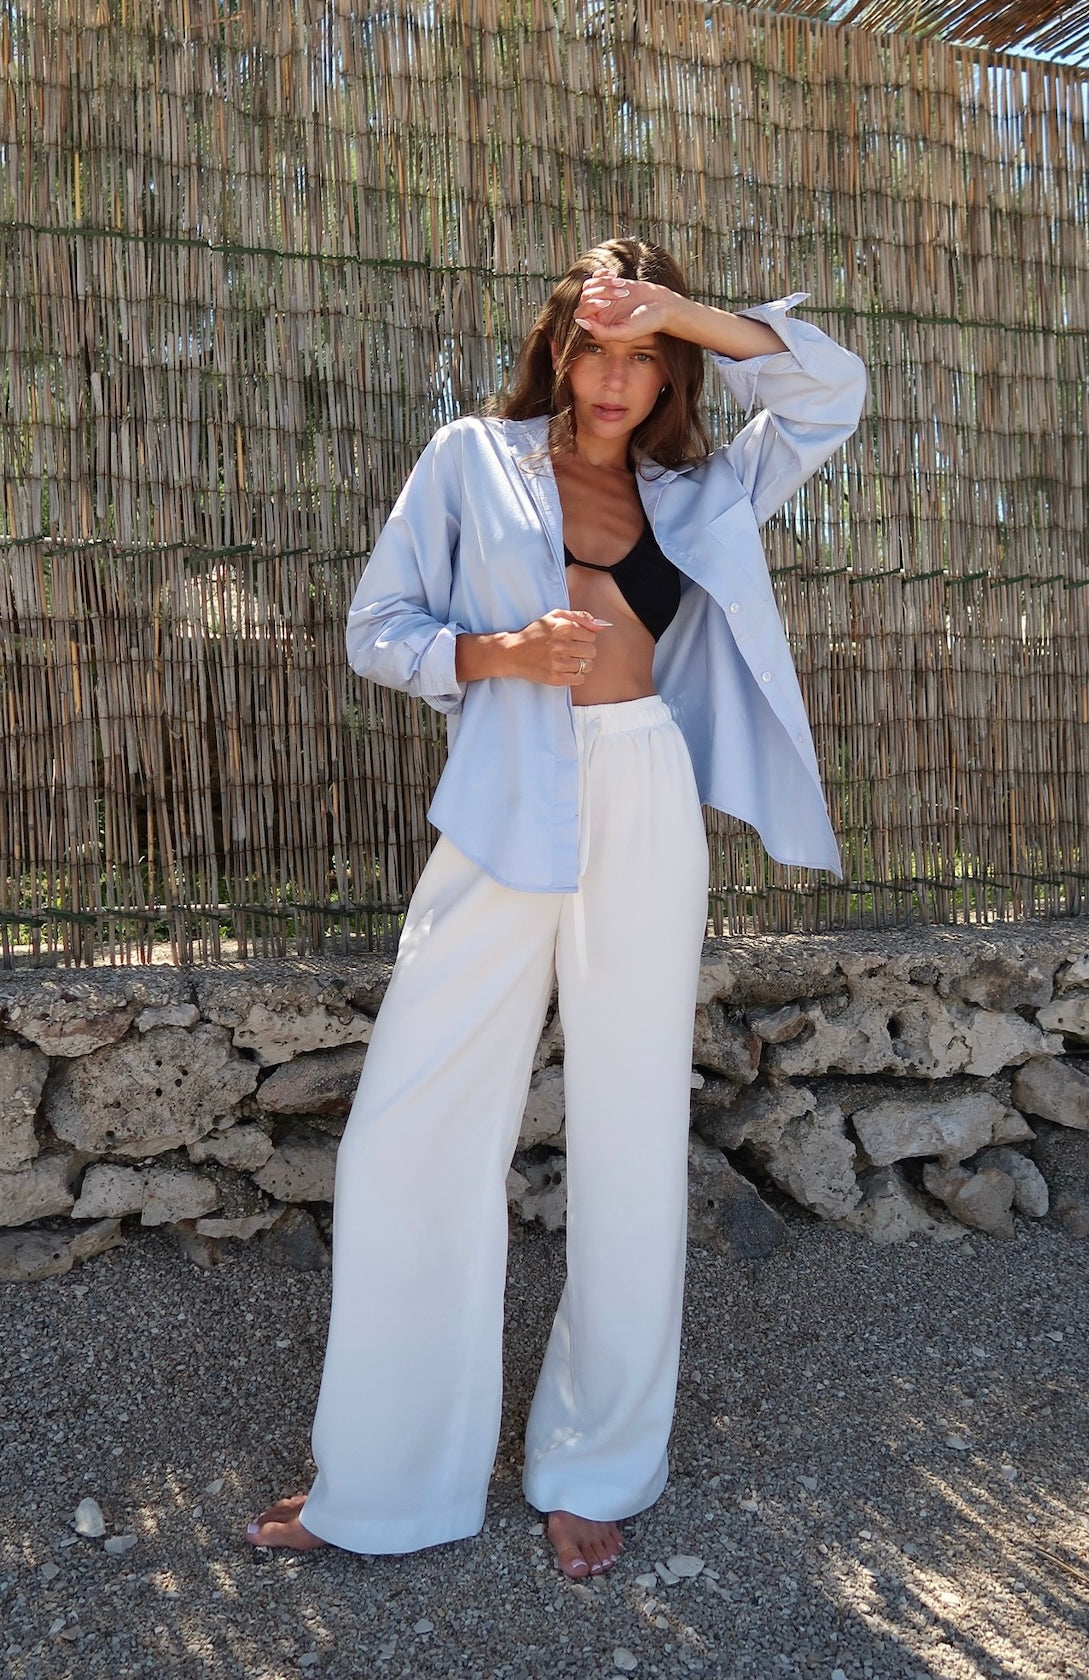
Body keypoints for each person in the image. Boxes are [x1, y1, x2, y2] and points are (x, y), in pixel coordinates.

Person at [246, 237, 866, 1579]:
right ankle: (384, 1475)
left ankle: (597, 1464)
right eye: (599, 344)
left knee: (631, 1127)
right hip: (502, 794)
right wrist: (498, 653)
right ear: (558, 347)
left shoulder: (704, 486)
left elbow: (831, 390)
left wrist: (686, 310)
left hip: (642, 784)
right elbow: (376, 626)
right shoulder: (472, 457)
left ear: (672, 367)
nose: (618, 376)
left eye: (647, 354)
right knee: (406, 1128)